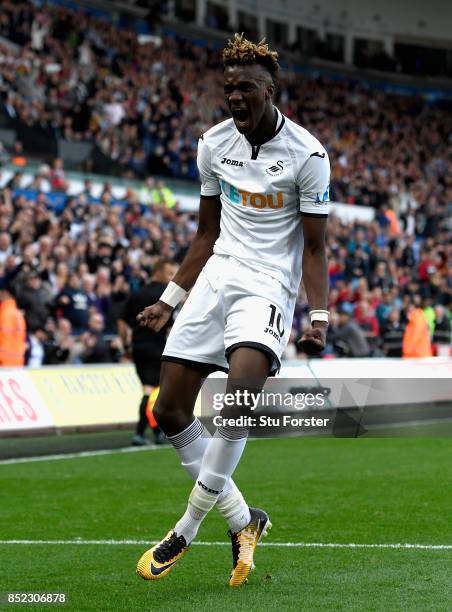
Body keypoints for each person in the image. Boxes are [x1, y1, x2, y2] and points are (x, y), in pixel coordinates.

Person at [135, 34, 330, 586]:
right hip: (216, 276)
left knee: (237, 400)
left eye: (246, 88)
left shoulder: (308, 155)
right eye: (228, 89)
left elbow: (315, 248)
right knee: (168, 410)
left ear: (271, 90)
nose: (235, 97)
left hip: (267, 287)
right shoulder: (212, 144)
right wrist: (169, 300)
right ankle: (244, 521)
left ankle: (185, 529)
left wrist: (318, 317)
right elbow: (204, 233)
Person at [119, 258, 178, 446]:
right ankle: (141, 433)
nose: (172, 278)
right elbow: (172, 326)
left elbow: (122, 321)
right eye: (170, 273)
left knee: (148, 388)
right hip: (156, 346)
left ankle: (154, 431)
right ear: (158, 272)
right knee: (153, 391)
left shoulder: (137, 294)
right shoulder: (165, 296)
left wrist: (126, 346)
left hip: (137, 347)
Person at [0, 280, 26, 367]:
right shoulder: (17, 313)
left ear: (5, 293)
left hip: (4, 363)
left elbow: (4, 337)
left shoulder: (5, 313)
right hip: (17, 361)